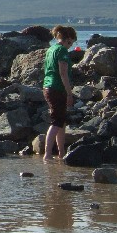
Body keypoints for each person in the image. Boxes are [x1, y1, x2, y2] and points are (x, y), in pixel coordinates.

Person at [42, 25, 77, 161]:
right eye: (72, 42)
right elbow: (63, 74)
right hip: (57, 88)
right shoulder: (62, 51)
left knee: (61, 120)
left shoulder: (51, 49)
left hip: (47, 86)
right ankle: (47, 154)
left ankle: (61, 152)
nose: (71, 45)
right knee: (57, 121)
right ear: (68, 39)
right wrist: (69, 93)